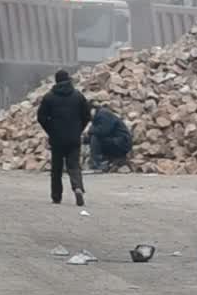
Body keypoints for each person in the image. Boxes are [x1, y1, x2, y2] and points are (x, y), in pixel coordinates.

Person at [36, 70, 92, 206]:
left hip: (57, 139)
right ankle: (77, 188)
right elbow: (87, 116)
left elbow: (41, 117)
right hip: (73, 138)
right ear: (69, 80)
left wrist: (51, 130)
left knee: (57, 169)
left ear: (56, 81)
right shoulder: (78, 96)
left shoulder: (49, 97)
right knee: (74, 165)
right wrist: (79, 129)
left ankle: (56, 196)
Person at [85, 104, 133, 172]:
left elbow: (103, 131)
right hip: (117, 141)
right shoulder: (98, 116)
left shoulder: (103, 114)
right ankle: (108, 161)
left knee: (95, 137)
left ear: (92, 110)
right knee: (91, 138)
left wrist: (89, 130)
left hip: (122, 142)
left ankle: (98, 164)